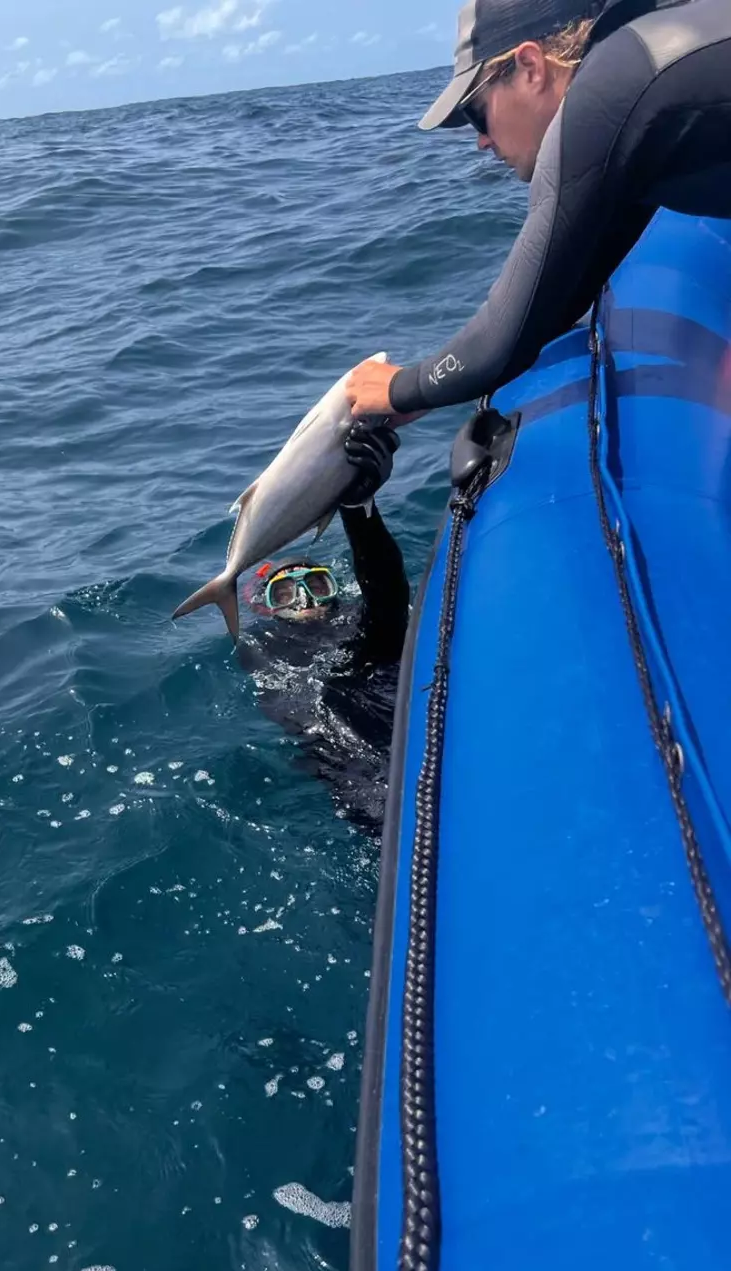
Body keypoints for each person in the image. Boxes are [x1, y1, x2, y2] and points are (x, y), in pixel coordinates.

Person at [343, 0, 731, 423]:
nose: (481, 143)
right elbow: (560, 294)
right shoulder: (638, 83)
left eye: (477, 114)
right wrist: (424, 394)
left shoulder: (601, 103)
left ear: (530, 66)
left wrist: (400, 388)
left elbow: (501, 339)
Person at [239, 422, 411, 832]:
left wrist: (359, 508)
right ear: (265, 608)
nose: (305, 600)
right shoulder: (264, 645)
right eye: (284, 593)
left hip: (386, 688)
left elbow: (386, 596)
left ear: (336, 590)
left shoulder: (354, 619)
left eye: (316, 585)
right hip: (351, 757)